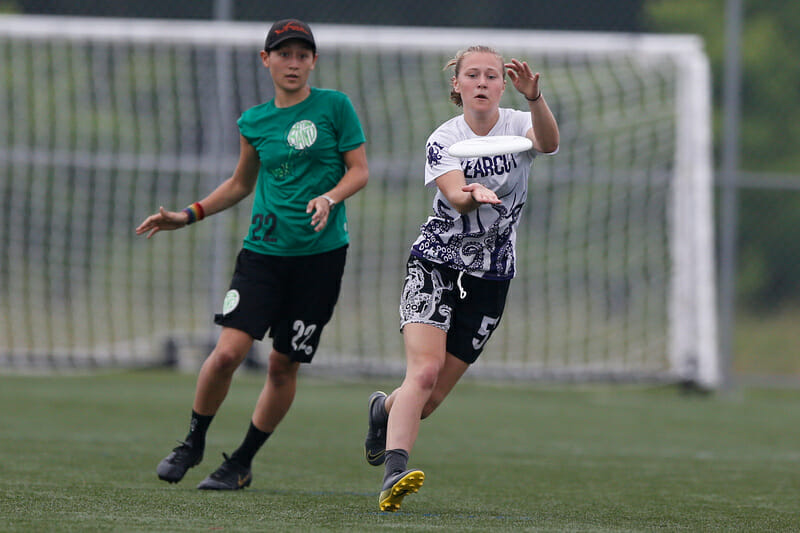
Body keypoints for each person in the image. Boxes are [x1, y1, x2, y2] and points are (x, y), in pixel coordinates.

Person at [136, 18, 368, 490]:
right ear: (266, 60)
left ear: (313, 62)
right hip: (261, 255)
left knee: (283, 364)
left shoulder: (335, 107)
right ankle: (193, 441)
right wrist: (188, 214)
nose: (294, 62)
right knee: (227, 354)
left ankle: (241, 461)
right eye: (284, 53)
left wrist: (330, 197)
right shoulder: (255, 121)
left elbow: (359, 171)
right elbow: (241, 184)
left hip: (321, 260)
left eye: (303, 55)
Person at [363, 45, 559, 511]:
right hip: (437, 262)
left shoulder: (518, 123)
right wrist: (472, 193)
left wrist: (535, 99)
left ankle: (381, 411)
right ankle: (394, 472)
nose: (483, 82)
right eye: (473, 75)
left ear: (503, 85)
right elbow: (454, 194)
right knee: (424, 372)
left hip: (492, 276)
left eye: (492, 76)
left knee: (426, 401)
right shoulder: (443, 138)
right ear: (457, 85)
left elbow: (548, 144)